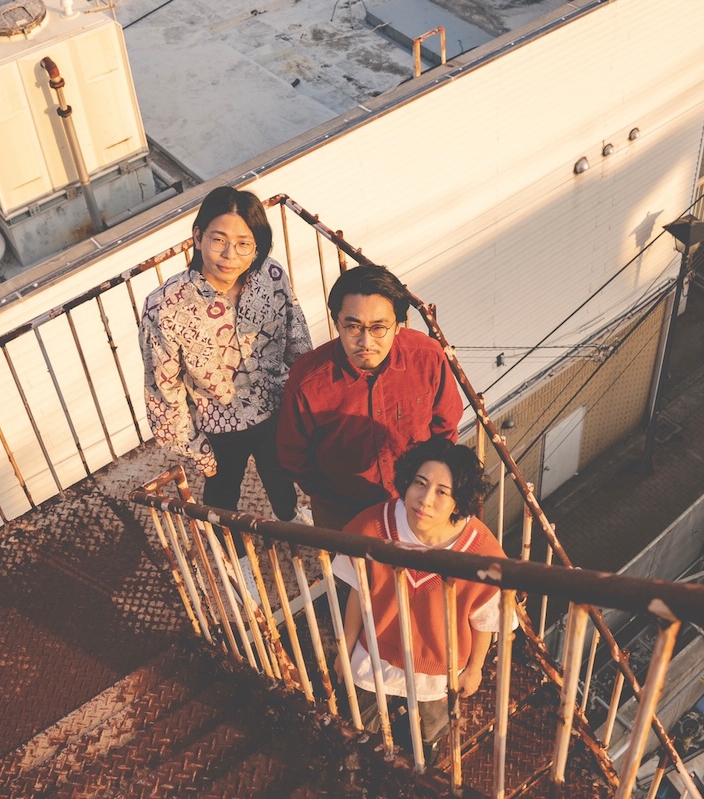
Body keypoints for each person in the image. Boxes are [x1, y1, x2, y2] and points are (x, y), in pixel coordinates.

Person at [140, 186, 313, 532]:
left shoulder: (272, 277)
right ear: (198, 237)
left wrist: (308, 400)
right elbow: (163, 386)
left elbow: (297, 335)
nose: (230, 254)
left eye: (244, 243)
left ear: (257, 247)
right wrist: (195, 446)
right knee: (222, 497)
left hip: (273, 407)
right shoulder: (165, 306)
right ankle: (234, 552)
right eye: (218, 240)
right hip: (217, 423)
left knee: (280, 473)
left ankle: (289, 516)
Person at [331, 439, 510, 754]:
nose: (425, 500)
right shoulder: (373, 526)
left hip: (439, 672)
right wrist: (344, 649)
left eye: (442, 492)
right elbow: (359, 591)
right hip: (374, 656)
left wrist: (475, 669)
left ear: (459, 502)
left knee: (427, 740)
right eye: (420, 483)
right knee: (359, 733)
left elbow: (484, 620)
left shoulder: (482, 553)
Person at [277, 265, 462, 531]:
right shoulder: (307, 381)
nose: (365, 342)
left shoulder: (427, 357)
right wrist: (330, 496)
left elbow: (445, 429)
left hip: (415, 506)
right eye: (353, 327)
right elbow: (293, 454)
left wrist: (427, 489)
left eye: (378, 328)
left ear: (397, 326)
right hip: (343, 514)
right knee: (346, 561)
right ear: (336, 323)